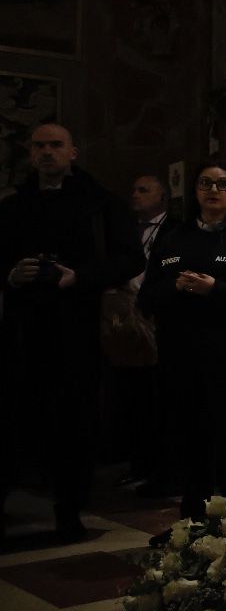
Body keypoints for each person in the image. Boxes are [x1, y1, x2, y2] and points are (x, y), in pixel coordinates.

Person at [0, 123, 143, 540]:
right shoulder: (12, 207)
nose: (47, 152)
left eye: (55, 145)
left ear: (73, 152)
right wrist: (11, 274)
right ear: (30, 153)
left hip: (77, 328)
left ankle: (69, 509)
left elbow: (130, 258)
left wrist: (79, 277)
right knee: (15, 416)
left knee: (74, 420)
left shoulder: (101, 204)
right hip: (22, 331)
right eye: (39, 145)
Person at [138, 159, 226, 520]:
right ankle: (193, 525)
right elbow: (146, 300)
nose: (213, 190)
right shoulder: (173, 239)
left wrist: (216, 289)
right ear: (195, 191)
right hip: (181, 361)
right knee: (190, 445)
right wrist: (175, 286)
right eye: (205, 183)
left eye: (222, 184)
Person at [109, 174, 181, 491]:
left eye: (144, 190)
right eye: (133, 190)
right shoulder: (128, 230)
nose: (135, 195)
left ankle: (159, 466)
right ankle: (138, 462)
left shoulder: (175, 230)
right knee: (131, 395)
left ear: (163, 198)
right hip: (128, 318)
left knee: (158, 397)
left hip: (160, 319)